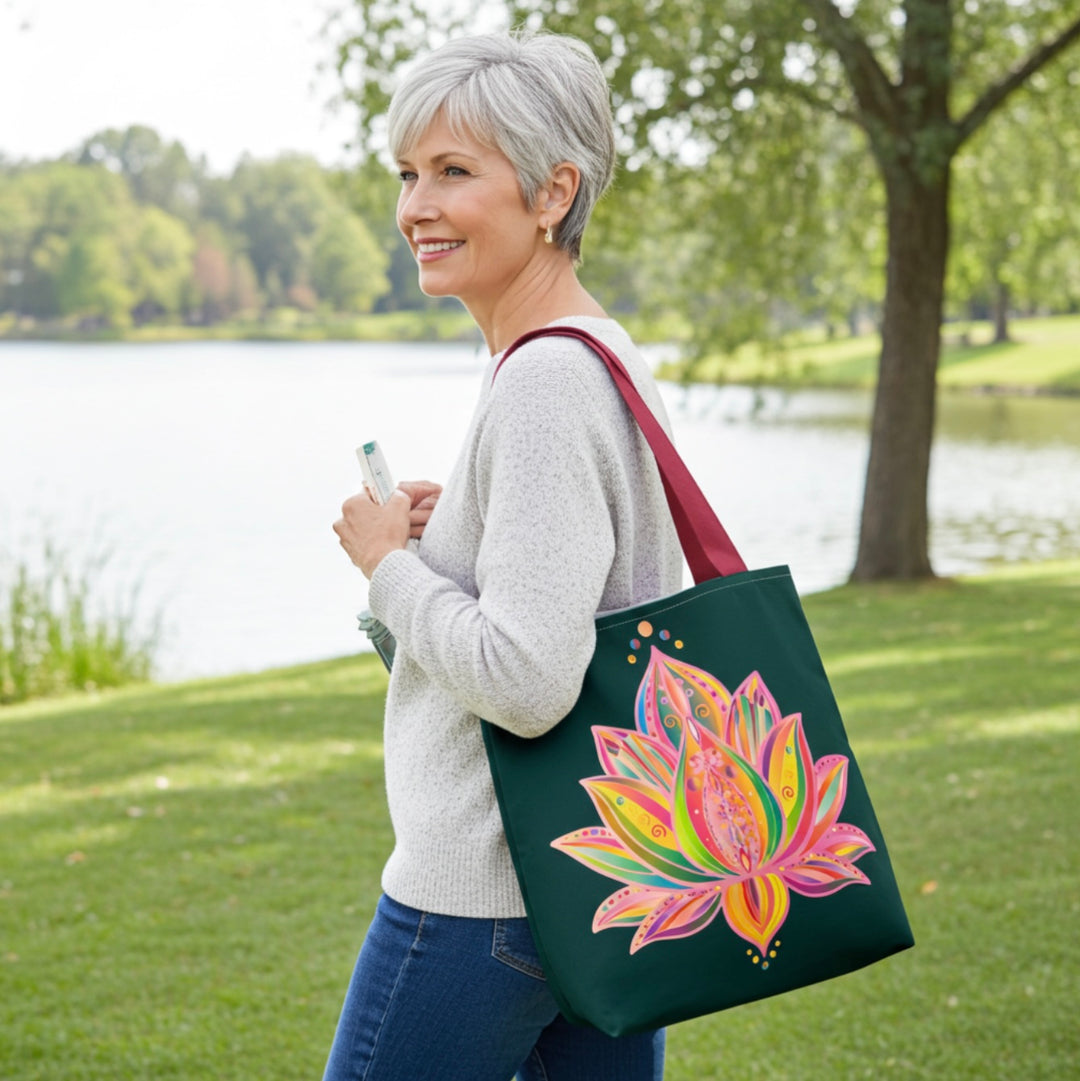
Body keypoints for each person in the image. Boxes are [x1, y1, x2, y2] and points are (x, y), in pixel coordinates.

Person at [328, 30, 682, 1081]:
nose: (414, 208)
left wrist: (390, 571)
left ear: (550, 192)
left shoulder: (542, 385)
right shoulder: (593, 353)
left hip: (485, 898)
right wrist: (455, 547)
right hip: (596, 878)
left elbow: (528, 682)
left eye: (452, 172)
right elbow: (577, 601)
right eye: (406, 173)